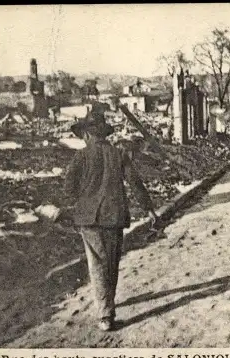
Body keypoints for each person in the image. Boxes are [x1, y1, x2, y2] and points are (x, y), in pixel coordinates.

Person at [63, 110, 158, 332]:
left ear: (87, 135)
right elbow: (135, 183)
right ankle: (108, 306)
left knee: (97, 263)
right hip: (113, 216)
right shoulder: (119, 154)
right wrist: (149, 209)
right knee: (112, 263)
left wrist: (82, 199)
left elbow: (69, 188)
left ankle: (105, 314)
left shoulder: (80, 157)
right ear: (104, 134)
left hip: (89, 219)